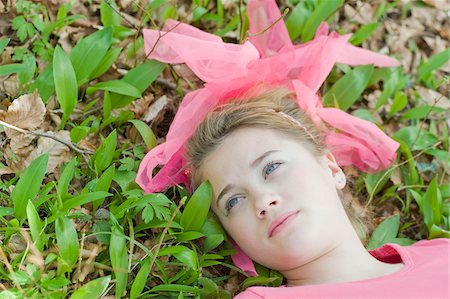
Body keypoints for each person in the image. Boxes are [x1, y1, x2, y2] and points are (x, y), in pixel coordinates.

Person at [136, 1, 450, 297]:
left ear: (331, 167)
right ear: (234, 237)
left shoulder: (441, 257)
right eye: (233, 201)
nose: (262, 201)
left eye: (271, 167)